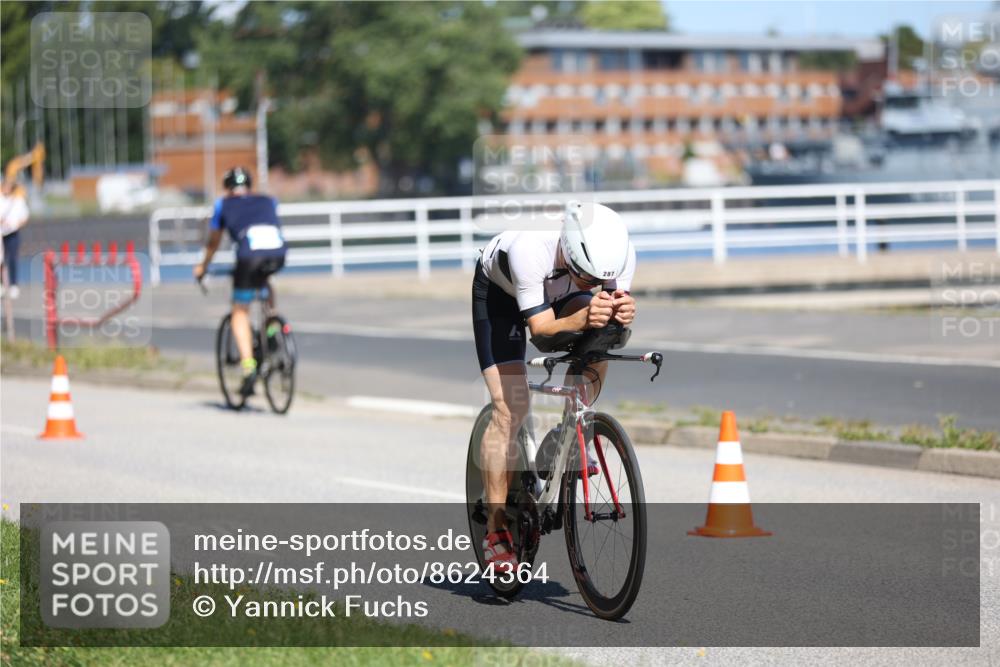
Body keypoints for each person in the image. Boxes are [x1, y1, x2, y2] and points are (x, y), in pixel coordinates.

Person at [471, 201, 637, 572]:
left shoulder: (618, 254)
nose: (595, 287)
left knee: (603, 335)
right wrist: (581, 315)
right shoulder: (530, 248)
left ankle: (567, 432)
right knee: (510, 409)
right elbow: (542, 332)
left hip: (559, 294)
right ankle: (497, 530)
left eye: (600, 282)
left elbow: (612, 313)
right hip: (503, 297)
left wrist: (621, 313)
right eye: (587, 278)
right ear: (569, 251)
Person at [193, 167, 287, 397]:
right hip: (278, 251)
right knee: (264, 282)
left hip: (248, 254)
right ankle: (272, 326)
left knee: (239, 312)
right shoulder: (268, 200)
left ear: (227, 188)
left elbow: (213, 243)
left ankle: (248, 368)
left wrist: (202, 267)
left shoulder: (222, 205)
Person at [0, 179, 30, 300]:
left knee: (12, 258)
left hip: (13, 233)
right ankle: (1, 285)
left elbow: (25, 217)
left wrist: (16, 224)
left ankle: (13, 285)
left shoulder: (18, 200)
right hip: (1, 233)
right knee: (1, 260)